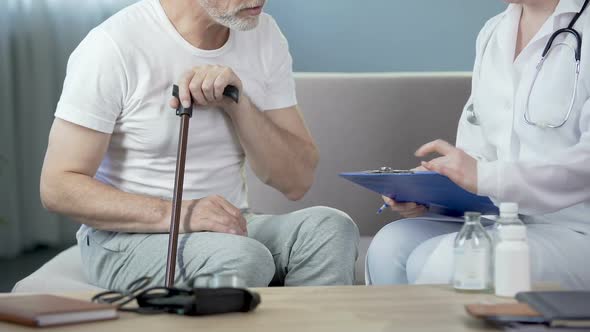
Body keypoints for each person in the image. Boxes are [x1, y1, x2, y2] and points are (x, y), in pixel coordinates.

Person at [40, 0, 359, 290]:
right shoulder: (113, 45)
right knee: (244, 257)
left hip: (230, 227)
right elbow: (58, 187)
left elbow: (296, 180)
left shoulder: (264, 35)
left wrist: (238, 104)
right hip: (127, 238)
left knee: (330, 229)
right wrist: (182, 214)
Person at [366, 0, 590, 289]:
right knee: (390, 246)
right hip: (506, 218)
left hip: (575, 229)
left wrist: (486, 176)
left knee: (446, 261)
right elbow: (479, 151)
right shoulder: (494, 31)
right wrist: (432, 192)